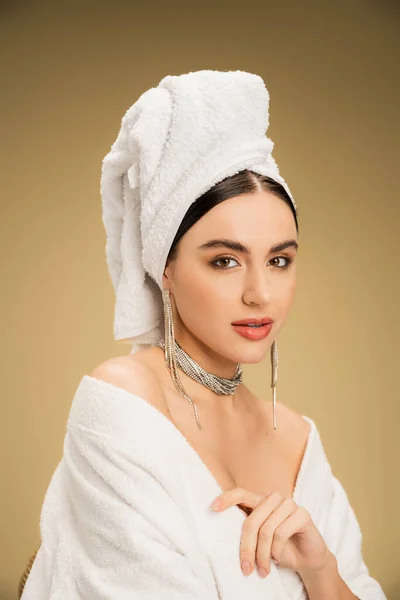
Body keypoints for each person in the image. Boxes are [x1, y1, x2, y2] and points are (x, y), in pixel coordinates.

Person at [21, 70, 386, 599]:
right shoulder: (119, 405)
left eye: (279, 260)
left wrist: (321, 571)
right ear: (163, 268)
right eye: (224, 261)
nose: (260, 293)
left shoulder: (299, 437)